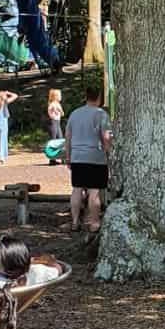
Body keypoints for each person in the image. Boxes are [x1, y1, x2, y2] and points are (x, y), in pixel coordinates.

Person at [65, 86, 111, 234]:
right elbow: (106, 136)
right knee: (94, 191)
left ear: (86, 96)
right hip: (95, 156)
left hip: (77, 156)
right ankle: (94, 222)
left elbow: (68, 137)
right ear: (99, 97)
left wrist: (68, 156)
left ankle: (74, 221)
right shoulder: (101, 114)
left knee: (77, 189)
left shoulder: (74, 114)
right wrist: (106, 150)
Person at [46, 89, 64, 163]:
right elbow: (49, 112)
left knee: (60, 138)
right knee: (54, 140)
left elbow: (62, 113)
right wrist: (54, 112)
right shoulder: (52, 104)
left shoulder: (58, 104)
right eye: (59, 95)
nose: (60, 97)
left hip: (58, 122)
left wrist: (60, 111)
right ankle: (52, 159)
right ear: (55, 97)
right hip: (53, 122)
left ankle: (62, 157)